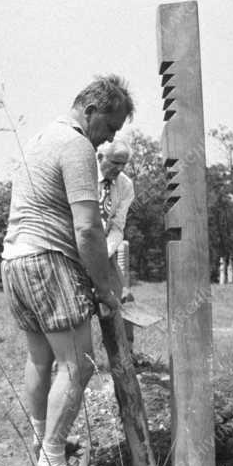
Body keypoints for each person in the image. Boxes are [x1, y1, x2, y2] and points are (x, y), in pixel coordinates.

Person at [1, 75, 132, 466]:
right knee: (81, 363)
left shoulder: (43, 136)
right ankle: (53, 462)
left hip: (15, 260)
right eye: (109, 128)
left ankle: (44, 445)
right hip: (47, 261)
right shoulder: (76, 146)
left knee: (42, 360)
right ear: (91, 110)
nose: (107, 140)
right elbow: (89, 230)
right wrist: (106, 287)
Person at [97, 139, 141, 358]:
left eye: (124, 164)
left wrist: (102, 255)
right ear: (100, 158)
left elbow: (117, 226)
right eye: (115, 163)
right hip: (73, 248)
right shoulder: (81, 175)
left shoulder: (125, 185)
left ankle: (126, 355)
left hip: (105, 250)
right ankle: (65, 361)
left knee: (123, 297)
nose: (120, 169)